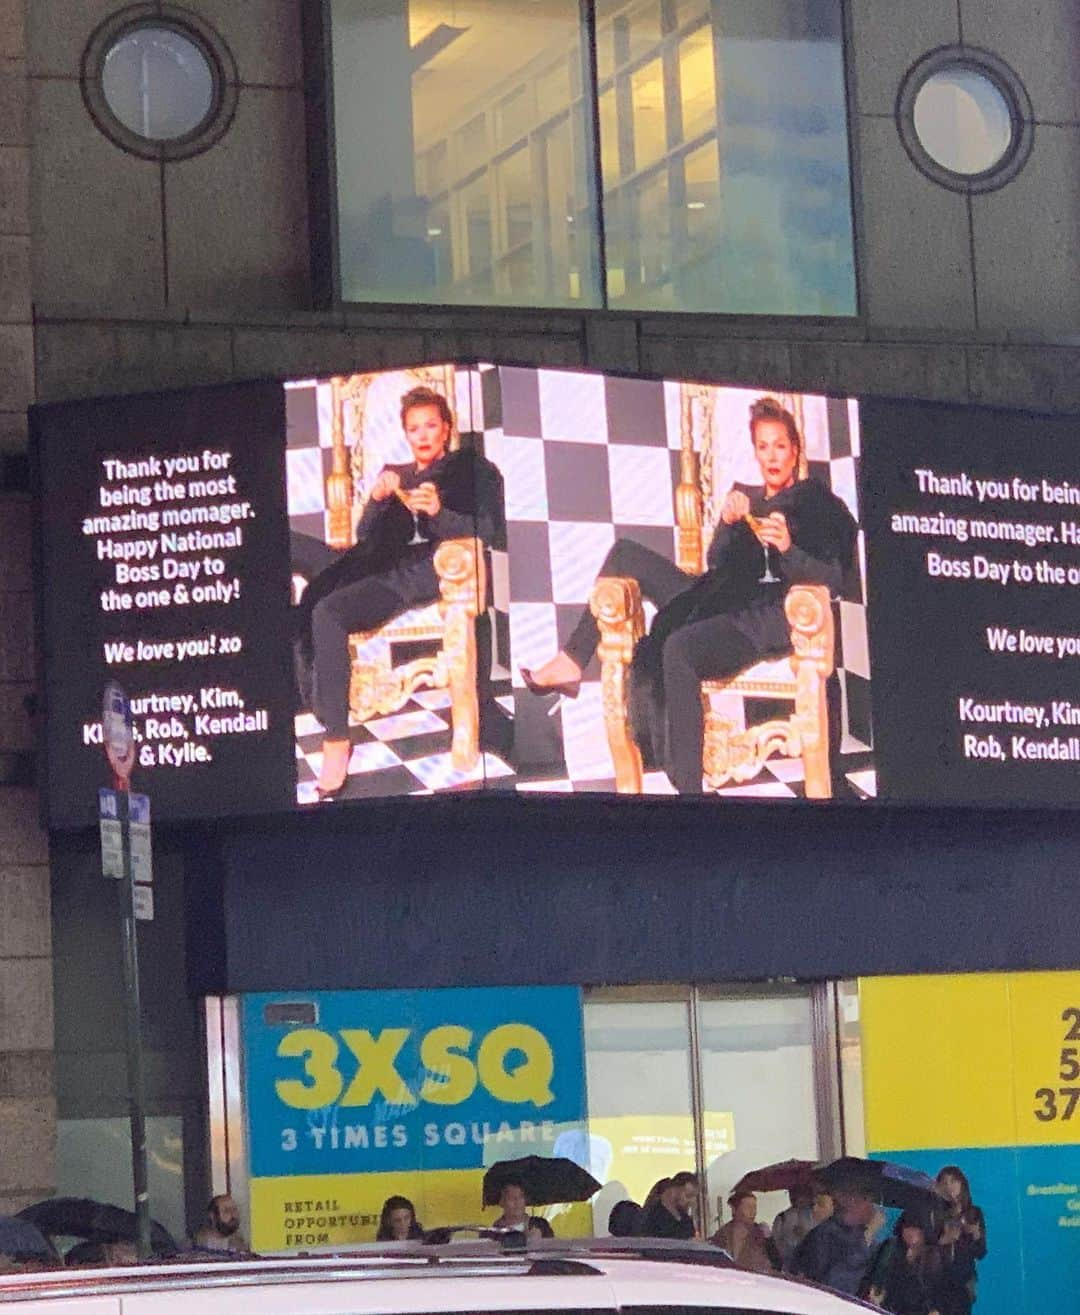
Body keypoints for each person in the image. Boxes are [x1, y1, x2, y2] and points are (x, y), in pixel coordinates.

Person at [521, 396, 856, 793]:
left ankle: (689, 793)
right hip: (714, 595)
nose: (772, 456)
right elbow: (716, 563)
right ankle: (573, 659)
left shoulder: (815, 502)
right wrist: (729, 523)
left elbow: (833, 578)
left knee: (677, 648)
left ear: (795, 449)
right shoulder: (745, 497)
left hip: (758, 617)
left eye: (780, 445)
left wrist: (788, 549)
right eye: (763, 446)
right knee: (625, 552)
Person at [292, 386, 505, 797]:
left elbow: (486, 531)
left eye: (430, 426)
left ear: (446, 429)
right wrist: (375, 498)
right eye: (414, 428)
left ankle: (336, 740)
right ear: (405, 434)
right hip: (368, 561)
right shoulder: (396, 472)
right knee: (287, 543)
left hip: (411, 575)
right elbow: (364, 536)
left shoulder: (464, 472)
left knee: (327, 612)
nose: (422, 435)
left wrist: (438, 513)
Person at [791, 1186, 878, 1296]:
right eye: (868, 1200)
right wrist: (869, 1236)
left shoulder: (863, 1236)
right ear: (851, 1201)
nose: (873, 1208)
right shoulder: (826, 1233)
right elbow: (836, 1279)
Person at [869, 1212, 944, 1315]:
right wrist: (875, 1289)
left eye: (917, 1228)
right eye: (907, 1227)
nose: (911, 1232)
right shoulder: (890, 1246)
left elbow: (933, 1290)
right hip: (884, 1305)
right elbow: (877, 1271)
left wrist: (933, 1309)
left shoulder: (932, 1256)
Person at [935, 1166, 986, 1315]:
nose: (949, 1186)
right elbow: (924, 1246)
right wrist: (944, 1240)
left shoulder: (974, 1213)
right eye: (944, 1183)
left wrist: (976, 1234)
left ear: (962, 1184)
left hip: (963, 1282)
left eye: (953, 1181)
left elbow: (981, 1252)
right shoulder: (935, 1213)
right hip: (938, 1281)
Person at [711, 1191, 776, 1273]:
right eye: (748, 1207)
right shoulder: (722, 1234)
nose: (753, 1212)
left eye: (754, 1207)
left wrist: (769, 1239)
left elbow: (777, 1263)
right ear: (734, 1210)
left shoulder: (761, 1234)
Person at [638, 1171, 698, 1240]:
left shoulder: (686, 1220)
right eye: (688, 1196)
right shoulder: (652, 1214)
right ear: (674, 1190)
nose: (691, 1201)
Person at [772, 1184, 818, 1269]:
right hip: (789, 1263)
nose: (798, 1197)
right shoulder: (782, 1217)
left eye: (803, 1194)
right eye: (792, 1193)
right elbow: (776, 1242)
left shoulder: (816, 1215)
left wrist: (807, 1235)